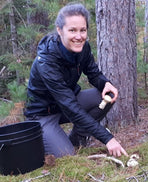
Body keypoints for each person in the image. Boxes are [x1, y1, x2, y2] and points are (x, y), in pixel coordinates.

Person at [24, 3, 128, 158]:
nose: (79, 36)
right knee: (66, 156)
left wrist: (105, 83)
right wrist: (108, 139)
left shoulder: (83, 47)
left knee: (106, 97)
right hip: (42, 114)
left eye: (82, 30)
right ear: (60, 30)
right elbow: (70, 106)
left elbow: (93, 73)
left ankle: (77, 138)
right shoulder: (46, 61)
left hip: (66, 103)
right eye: (72, 30)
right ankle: (43, 138)